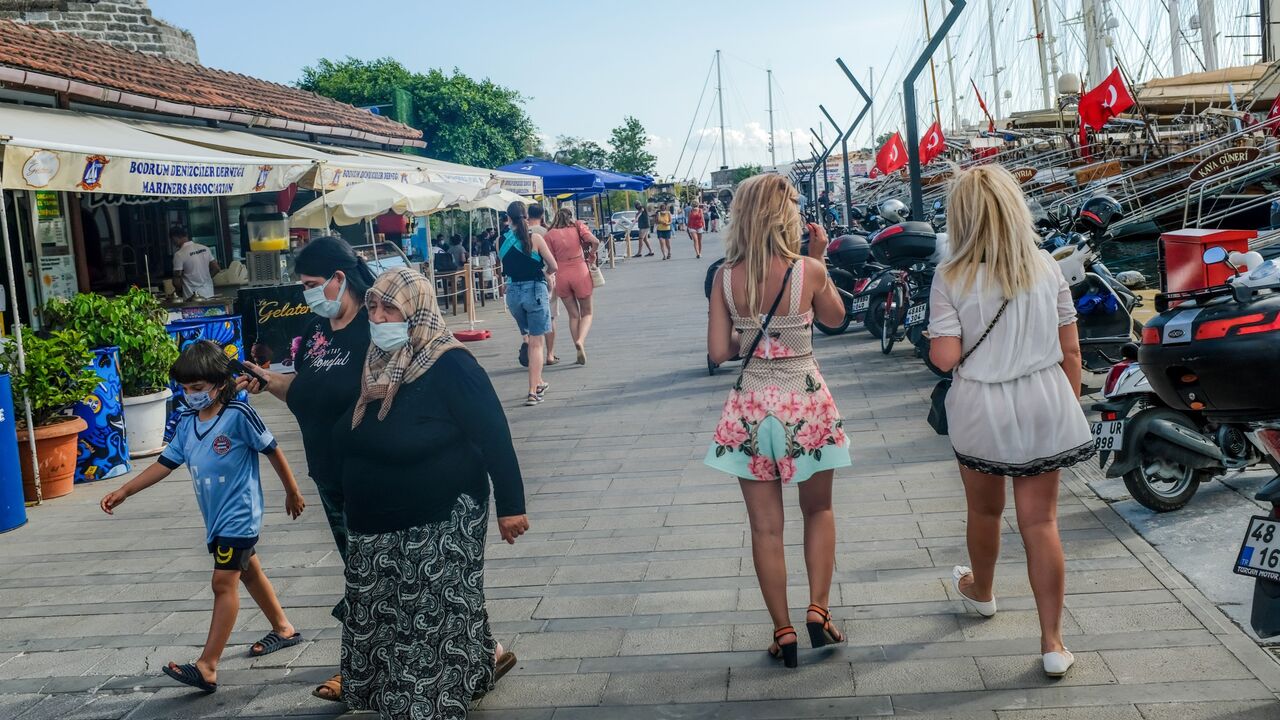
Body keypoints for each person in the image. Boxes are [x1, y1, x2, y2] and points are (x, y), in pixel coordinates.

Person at [334, 267, 528, 716]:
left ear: (416, 311)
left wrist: (511, 507)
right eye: (374, 307)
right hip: (374, 522)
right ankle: (478, 667)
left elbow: (494, 434)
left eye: (391, 308)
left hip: (441, 515)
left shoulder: (451, 363)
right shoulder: (374, 362)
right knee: (385, 617)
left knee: (427, 619)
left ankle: (427, 704)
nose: (379, 318)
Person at [927, 165, 1093, 679]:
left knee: (984, 511)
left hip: (981, 405)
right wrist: (1063, 408)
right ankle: (1052, 643)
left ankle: (982, 591)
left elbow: (946, 357)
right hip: (1045, 398)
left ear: (962, 218)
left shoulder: (949, 276)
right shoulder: (1045, 267)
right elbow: (1071, 352)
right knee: (1041, 523)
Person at [705, 174, 851, 669]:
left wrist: (751, 332)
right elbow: (836, 318)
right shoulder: (807, 270)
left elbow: (718, 351)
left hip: (749, 409)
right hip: (804, 402)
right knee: (819, 511)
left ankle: (783, 631)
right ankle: (818, 609)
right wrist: (821, 257)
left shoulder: (725, 277)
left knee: (765, 528)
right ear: (782, 213)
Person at [100, 341, 306, 693]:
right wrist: (125, 491)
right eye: (184, 388)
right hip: (215, 519)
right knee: (248, 572)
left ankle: (207, 666)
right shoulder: (186, 424)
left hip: (238, 517)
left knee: (222, 583)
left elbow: (272, 449)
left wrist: (292, 491)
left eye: (197, 388)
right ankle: (283, 627)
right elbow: (164, 464)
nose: (190, 395)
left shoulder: (239, 416)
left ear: (220, 384)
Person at [238, 235, 375, 703]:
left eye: (313, 284)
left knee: (370, 573)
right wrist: (267, 380)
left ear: (340, 278)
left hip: (373, 471)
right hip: (329, 474)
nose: (307, 294)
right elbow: (303, 391)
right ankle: (482, 646)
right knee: (365, 571)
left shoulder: (377, 327)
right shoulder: (319, 332)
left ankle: (358, 670)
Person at [502, 200, 559, 405]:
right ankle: (533, 391)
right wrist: (545, 275)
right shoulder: (535, 238)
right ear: (526, 217)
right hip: (534, 291)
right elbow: (553, 266)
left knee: (528, 337)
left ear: (508, 219)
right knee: (537, 344)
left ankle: (540, 380)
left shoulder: (502, 241)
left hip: (513, 294)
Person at [545, 207, 601, 366]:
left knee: (573, 315)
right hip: (580, 270)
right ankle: (581, 341)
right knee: (588, 313)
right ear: (571, 217)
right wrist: (591, 255)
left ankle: (578, 351)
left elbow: (549, 260)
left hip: (562, 274)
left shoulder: (549, 235)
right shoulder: (578, 226)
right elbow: (595, 241)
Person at [527, 204, 560, 366]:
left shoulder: (520, 233)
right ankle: (550, 354)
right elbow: (554, 260)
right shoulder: (547, 233)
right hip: (548, 278)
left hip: (526, 279)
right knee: (551, 316)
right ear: (542, 215)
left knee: (530, 317)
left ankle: (532, 351)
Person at [172, 224, 219, 300]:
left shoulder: (179, 254)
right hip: (209, 294)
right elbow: (216, 268)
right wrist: (204, 280)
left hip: (191, 297)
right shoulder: (205, 248)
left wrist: (178, 292)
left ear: (175, 238)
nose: (173, 243)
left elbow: (177, 279)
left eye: (172, 240)